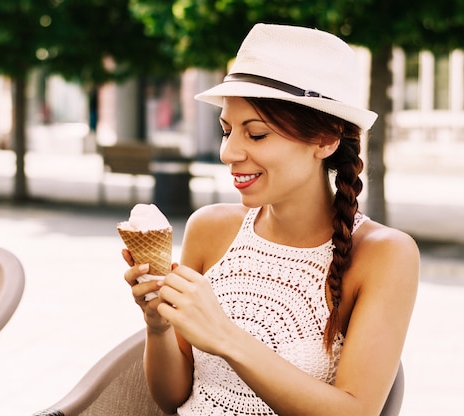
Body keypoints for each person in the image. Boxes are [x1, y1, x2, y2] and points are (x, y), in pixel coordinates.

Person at [122, 23, 419, 415]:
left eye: (257, 134)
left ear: (326, 140)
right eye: (226, 130)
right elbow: (172, 397)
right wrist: (157, 326)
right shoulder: (209, 228)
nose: (229, 153)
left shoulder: (385, 255)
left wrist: (225, 336)